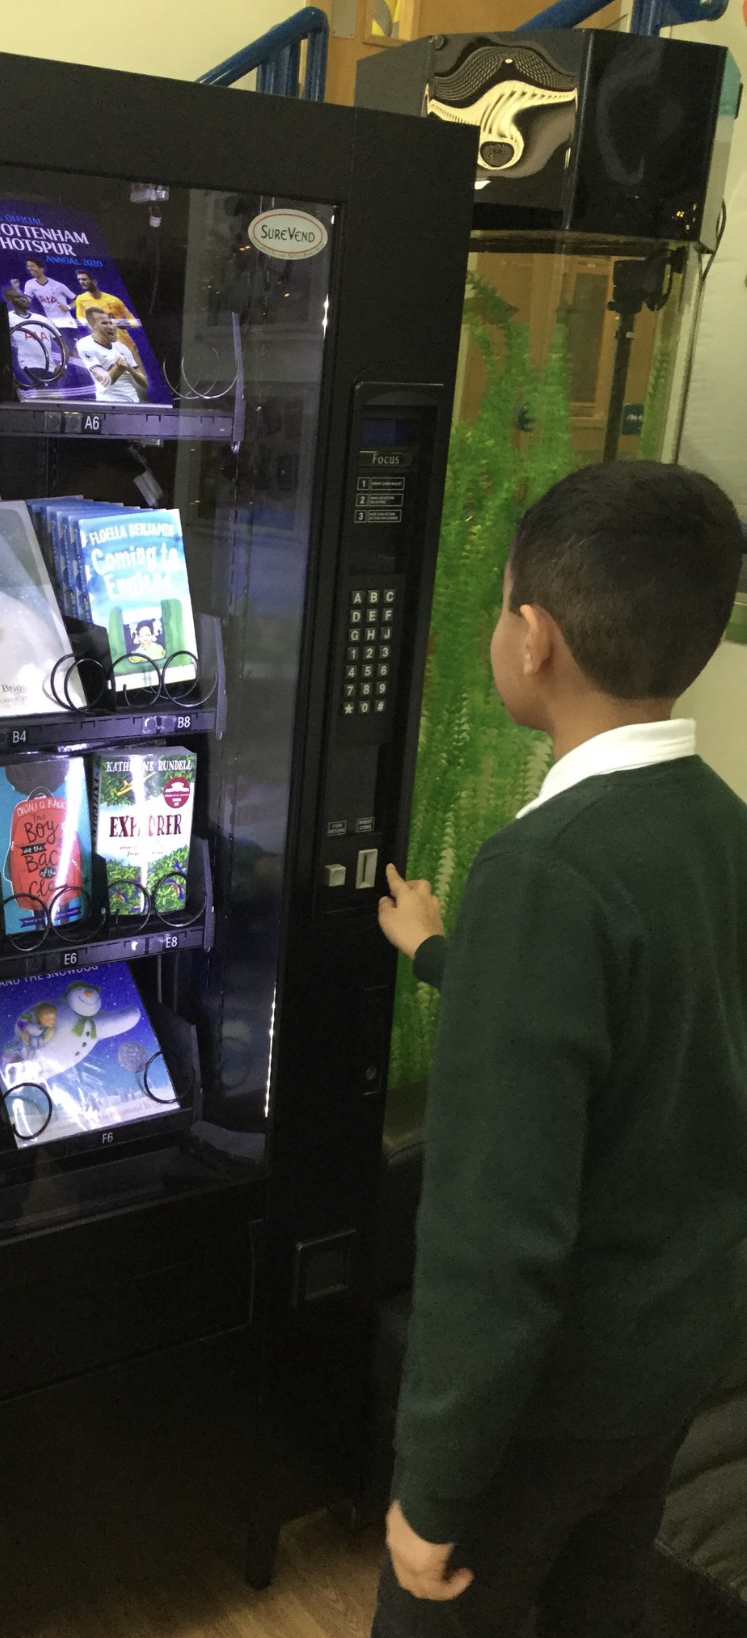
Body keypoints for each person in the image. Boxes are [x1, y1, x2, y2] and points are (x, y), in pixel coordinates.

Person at [373, 461, 747, 1636]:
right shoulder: (715, 822)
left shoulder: (545, 871)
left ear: (532, 637)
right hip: (669, 1363)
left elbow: (498, 1234)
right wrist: (442, 958)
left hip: (545, 1408)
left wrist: (432, 1489)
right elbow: (648, 1033)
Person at [75, 308, 148, 405]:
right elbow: (104, 381)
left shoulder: (122, 347)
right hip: (108, 403)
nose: (111, 327)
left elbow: (145, 383)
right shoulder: (85, 344)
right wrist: (118, 369)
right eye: (105, 323)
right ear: (93, 326)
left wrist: (130, 369)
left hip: (133, 403)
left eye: (111, 323)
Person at [72, 269, 142, 364]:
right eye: (79, 280)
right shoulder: (81, 299)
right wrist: (91, 324)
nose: (81, 282)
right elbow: (80, 316)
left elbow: (128, 315)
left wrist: (130, 323)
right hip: (105, 346)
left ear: (94, 281)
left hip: (125, 343)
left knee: (140, 375)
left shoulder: (113, 299)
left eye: (84, 279)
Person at [21, 257, 77, 328]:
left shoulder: (58, 285)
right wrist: (16, 289)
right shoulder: (30, 284)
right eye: (28, 267)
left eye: (32, 266)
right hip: (51, 325)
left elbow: (77, 300)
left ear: (42, 269)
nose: (29, 269)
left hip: (66, 324)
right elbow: (26, 300)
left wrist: (68, 307)